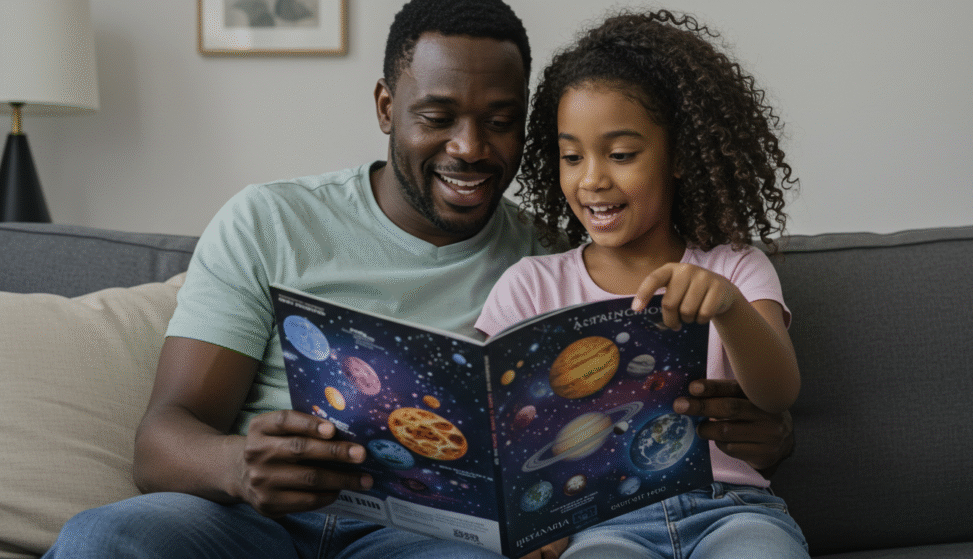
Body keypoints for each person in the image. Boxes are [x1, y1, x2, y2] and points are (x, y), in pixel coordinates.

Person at [42, 2, 794, 558]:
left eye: (500, 121)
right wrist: (238, 466)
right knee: (103, 538)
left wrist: (763, 428)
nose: (469, 148)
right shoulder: (269, 220)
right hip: (250, 518)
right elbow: (161, 438)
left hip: (426, 539)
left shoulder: (553, 253)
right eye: (437, 116)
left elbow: (700, 393)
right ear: (385, 107)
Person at [475, 9, 807, 558]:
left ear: (677, 155)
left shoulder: (735, 267)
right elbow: (498, 434)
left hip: (731, 510)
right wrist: (530, 521)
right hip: (601, 526)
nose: (592, 179)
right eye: (571, 156)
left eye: (621, 154)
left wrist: (727, 306)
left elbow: (778, 393)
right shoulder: (530, 286)